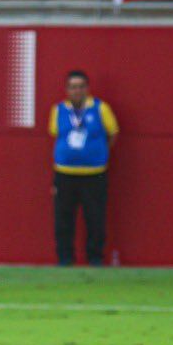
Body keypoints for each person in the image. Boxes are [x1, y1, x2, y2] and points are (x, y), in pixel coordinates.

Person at [49, 69, 117, 266]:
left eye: (80, 87)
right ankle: (65, 259)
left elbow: (112, 134)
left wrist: (96, 153)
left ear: (87, 88)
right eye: (72, 87)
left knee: (95, 218)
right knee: (63, 218)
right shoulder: (59, 110)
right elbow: (56, 135)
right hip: (64, 173)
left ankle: (95, 258)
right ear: (67, 90)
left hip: (94, 174)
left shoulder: (100, 108)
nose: (76, 91)